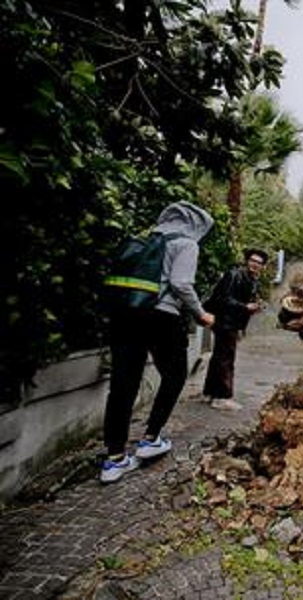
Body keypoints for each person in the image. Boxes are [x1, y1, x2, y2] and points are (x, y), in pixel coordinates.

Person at [101, 201, 216, 484]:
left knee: (122, 384)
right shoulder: (187, 244)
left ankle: (114, 459)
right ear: (197, 224)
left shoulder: (147, 240)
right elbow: (180, 283)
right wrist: (200, 313)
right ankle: (151, 438)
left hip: (126, 314)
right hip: (161, 316)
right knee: (176, 374)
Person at [202, 248, 268, 411]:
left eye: (259, 263)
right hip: (225, 322)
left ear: (263, 266)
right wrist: (245, 307)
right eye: (253, 261)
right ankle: (222, 397)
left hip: (231, 322)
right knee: (226, 358)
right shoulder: (234, 275)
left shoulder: (251, 279)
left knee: (219, 357)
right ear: (247, 261)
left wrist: (254, 305)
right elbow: (223, 298)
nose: (255, 264)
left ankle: (211, 392)